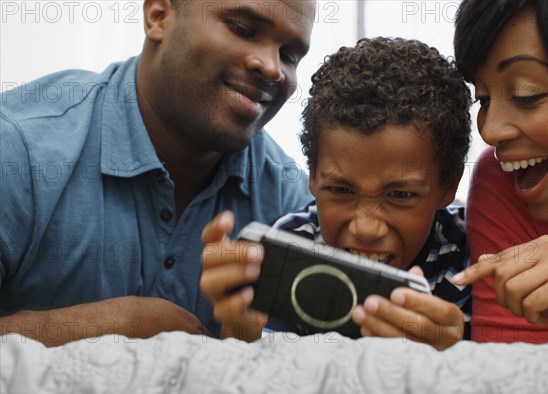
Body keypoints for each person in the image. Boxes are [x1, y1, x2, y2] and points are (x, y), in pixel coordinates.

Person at [0, 0, 316, 346]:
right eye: (242, 29)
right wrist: (109, 325)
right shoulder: (20, 152)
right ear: (159, 16)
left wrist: (243, 343)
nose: (272, 68)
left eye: (289, 56)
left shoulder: (295, 208)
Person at [200, 36, 473, 350]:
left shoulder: (471, 258)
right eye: (341, 190)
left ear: (448, 185)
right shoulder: (292, 249)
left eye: (400, 196)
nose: (366, 229)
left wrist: (455, 354)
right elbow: (258, 372)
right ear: (313, 178)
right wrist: (241, 325)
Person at [451, 0, 548, 343]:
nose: (490, 130)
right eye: (484, 98)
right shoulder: (502, 180)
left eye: (526, 94)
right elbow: (509, 384)